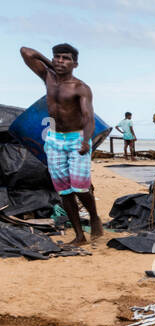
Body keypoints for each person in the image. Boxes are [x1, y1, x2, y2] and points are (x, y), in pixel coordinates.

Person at [19, 44, 102, 244]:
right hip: (55, 140)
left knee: (80, 188)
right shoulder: (48, 77)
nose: (60, 61)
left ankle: (94, 216)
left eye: (66, 58)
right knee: (64, 191)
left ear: (75, 64)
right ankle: (79, 236)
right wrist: (52, 66)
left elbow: (88, 117)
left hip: (77, 139)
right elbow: (25, 51)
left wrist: (85, 140)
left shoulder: (80, 88)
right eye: (57, 57)